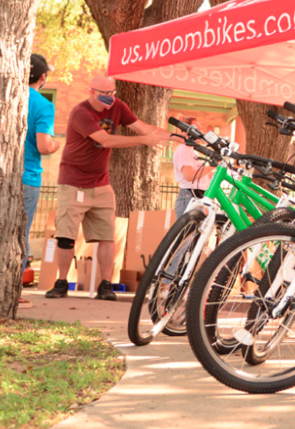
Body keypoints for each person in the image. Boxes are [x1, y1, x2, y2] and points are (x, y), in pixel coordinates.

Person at [45, 76, 172, 300]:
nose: (110, 98)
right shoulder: (80, 112)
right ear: (92, 92)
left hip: (101, 182)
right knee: (66, 236)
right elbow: (105, 140)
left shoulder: (117, 106)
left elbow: (141, 127)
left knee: (107, 236)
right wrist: (144, 141)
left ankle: (105, 285)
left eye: (112, 93)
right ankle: (61, 282)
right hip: (73, 180)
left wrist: (176, 136)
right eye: (105, 94)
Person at [22, 54, 61, 300]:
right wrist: (56, 145)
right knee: (18, 233)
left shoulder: (3, 96)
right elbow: (45, 146)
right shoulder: (43, 105)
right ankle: (10, 290)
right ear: (43, 77)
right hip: (27, 176)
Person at [172, 116, 216, 219]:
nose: (200, 131)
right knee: (188, 234)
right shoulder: (184, 149)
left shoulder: (193, 151)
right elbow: (189, 175)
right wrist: (211, 167)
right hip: (189, 198)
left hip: (197, 197)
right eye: (197, 128)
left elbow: (199, 174)